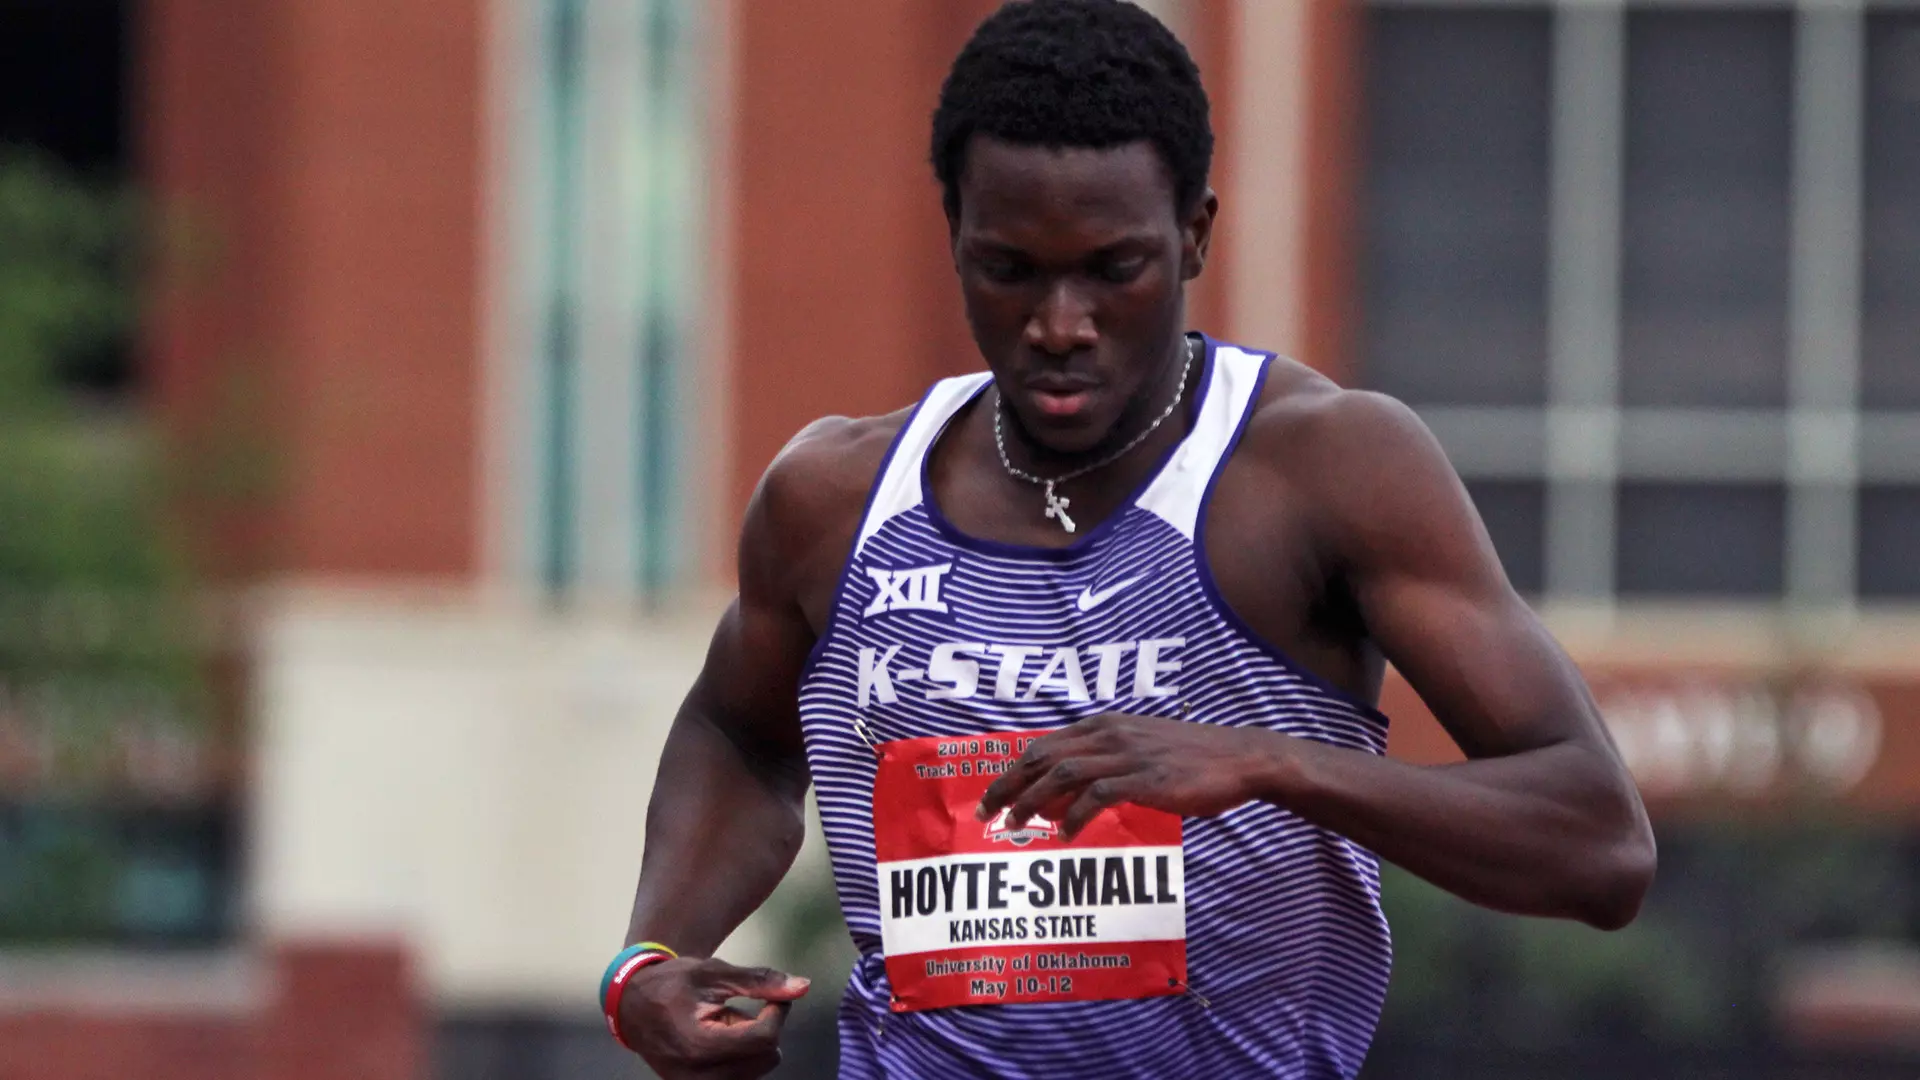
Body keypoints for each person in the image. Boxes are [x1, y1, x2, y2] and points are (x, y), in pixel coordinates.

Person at [605, 1, 1656, 1077]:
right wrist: (647, 961)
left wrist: (1266, 764)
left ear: (1196, 231)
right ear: (955, 232)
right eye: (1009, 269)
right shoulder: (834, 500)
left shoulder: (1318, 469)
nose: (1060, 325)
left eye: (1115, 269)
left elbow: (1598, 845)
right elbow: (740, 733)